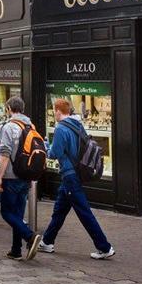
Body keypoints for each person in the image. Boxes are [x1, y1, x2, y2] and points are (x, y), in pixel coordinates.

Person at [39, 99, 114, 259]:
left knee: (84, 211)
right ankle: (47, 241)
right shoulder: (77, 124)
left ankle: (105, 247)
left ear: (58, 111)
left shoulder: (60, 129)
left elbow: (54, 153)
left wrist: (46, 146)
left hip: (69, 175)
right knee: (59, 210)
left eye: (54, 110)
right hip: (76, 172)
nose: (54, 113)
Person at [0, 96, 42, 261]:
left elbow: (4, 154)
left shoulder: (8, 127)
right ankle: (16, 250)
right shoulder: (31, 126)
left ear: (8, 109)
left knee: (6, 212)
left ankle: (29, 236)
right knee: (17, 215)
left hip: (11, 176)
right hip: (26, 176)